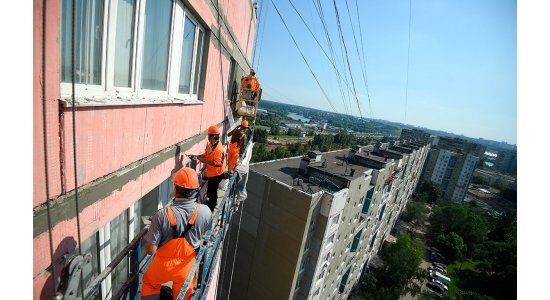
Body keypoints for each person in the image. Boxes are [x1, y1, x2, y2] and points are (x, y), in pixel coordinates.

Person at [141, 167, 213, 300]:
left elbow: (150, 250)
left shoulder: (162, 214)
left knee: (150, 284)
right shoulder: (205, 212)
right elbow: (207, 232)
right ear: (196, 190)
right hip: (186, 267)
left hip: (162, 266)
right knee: (184, 292)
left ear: (175, 189)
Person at [189, 125, 225, 212]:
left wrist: (204, 161)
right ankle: (212, 202)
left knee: (211, 192)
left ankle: (211, 208)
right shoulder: (211, 145)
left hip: (217, 174)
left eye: (208, 136)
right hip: (213, 173)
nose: (208, 137)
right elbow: (206, 155)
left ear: (212, 136)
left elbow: (218, 164)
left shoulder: (218, 149)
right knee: (211, 191)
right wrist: (196, 156)